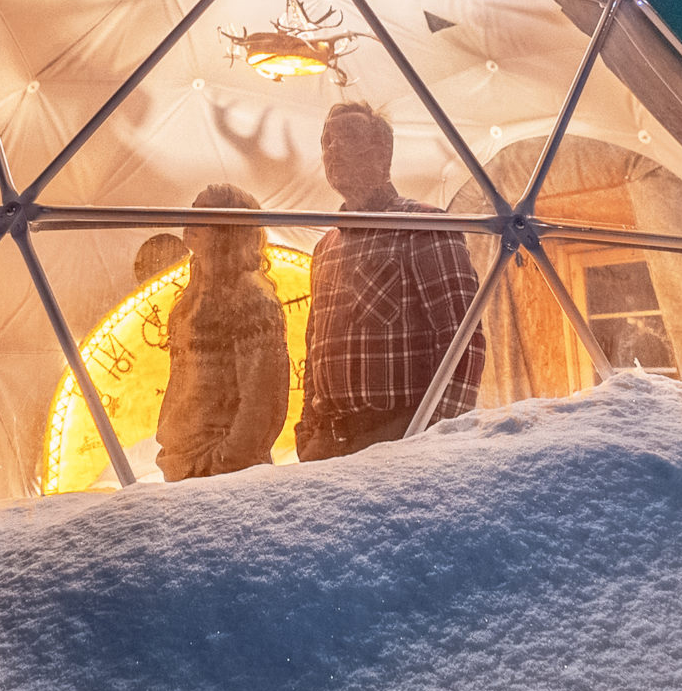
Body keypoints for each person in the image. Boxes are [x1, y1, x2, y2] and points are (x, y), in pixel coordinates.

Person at [296, 102, 485, 460]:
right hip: (330, 445)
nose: (331, 149)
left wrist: (436, 437)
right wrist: (308, 431)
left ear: (382, 153)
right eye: (326, 141)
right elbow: (313, 349)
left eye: (346, 137)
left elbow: (464, 341)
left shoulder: (424, 226)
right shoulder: (325, 247)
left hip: (399, 438)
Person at [153, 184, 291, 481]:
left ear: (231, 229)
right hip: (183, 465)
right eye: (194, 207)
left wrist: (220, 464)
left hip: (219, 473)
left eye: (207, 212)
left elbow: (261, 403)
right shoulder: (192, 297)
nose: (193, 219)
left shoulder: (254, 302)